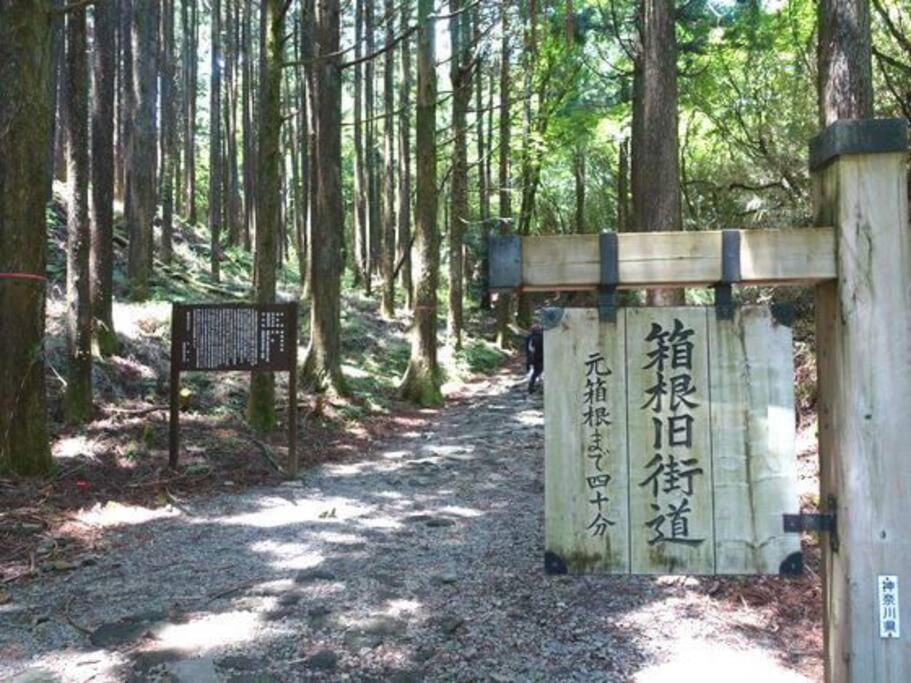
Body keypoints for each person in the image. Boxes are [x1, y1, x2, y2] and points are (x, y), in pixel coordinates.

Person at [525, 324, 544, 393]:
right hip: (540, 357)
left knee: (535, 372)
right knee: (538, 372)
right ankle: (533, 386)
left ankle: (532, 386)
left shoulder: (529, 337)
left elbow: (528, 349)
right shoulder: (542, 337)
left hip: (533, 358)